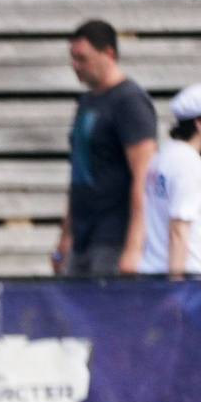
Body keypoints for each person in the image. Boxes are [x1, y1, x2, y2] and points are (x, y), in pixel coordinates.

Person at [54, 19, 156, 277]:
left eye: (82, 58)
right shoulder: (87, 101)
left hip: (114, 237)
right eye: (72, 58)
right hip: (82, 236)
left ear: (108, 53)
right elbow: (79, 171)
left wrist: (133, 247)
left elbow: (145, 177)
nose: (74, 65)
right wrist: (65, 235)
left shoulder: (130, 101)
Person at [140, 83, 201, 277]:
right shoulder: (187, 162)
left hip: (165, 272)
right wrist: (178, 290)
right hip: (195, 284)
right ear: (200, 123)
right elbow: (179, 231)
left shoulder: (163, 156)